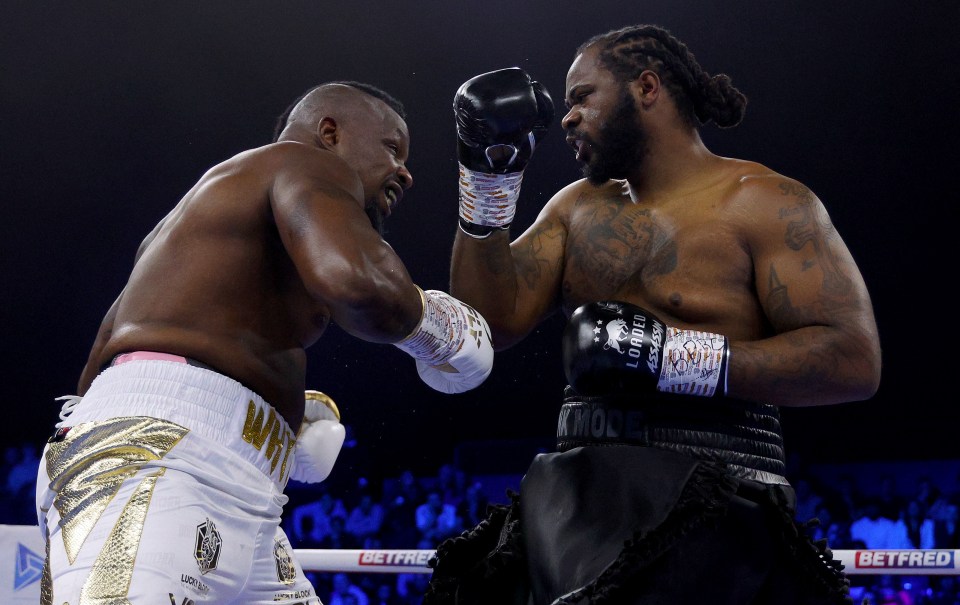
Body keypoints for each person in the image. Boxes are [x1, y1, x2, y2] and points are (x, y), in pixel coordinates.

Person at [424, 23, 881, 605]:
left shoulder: (765, 203)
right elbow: (486, 325)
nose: (566, 118)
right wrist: (487, 178)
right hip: (577, 500)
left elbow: (853, 360)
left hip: (716, 503)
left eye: (582, 96)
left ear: (646, 87)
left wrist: (675, 358)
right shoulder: (577, 208)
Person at [35, 81, 495, 604]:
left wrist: (276, 426)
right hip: (158, 465)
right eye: (393, 148)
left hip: (219, 482)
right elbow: (358, 283)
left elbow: (112, 366)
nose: (405, 172)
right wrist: (441, 328)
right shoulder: (304, 163)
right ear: (329, 133)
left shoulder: (209, 223)